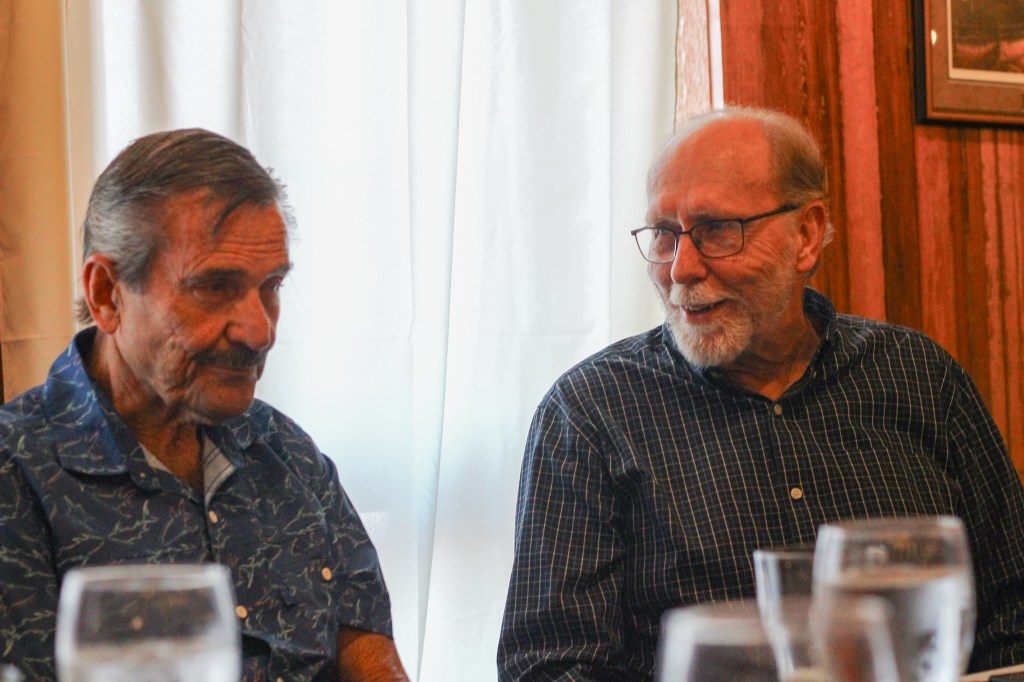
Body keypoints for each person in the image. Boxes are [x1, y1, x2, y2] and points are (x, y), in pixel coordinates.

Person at [497, 107, 1024, 680]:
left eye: (717, 229)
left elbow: (1012, 612)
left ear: (805, 235)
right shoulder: (589, 413)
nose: (681, 269)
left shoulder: (919, 377)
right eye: (664, 233)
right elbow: (550, 667)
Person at [0, 129, 409, 682]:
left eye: (271, 287)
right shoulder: (18, 473)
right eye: (214, 287)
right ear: (106, 294)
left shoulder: (286, 453)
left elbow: (372, 659)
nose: (259, 331)